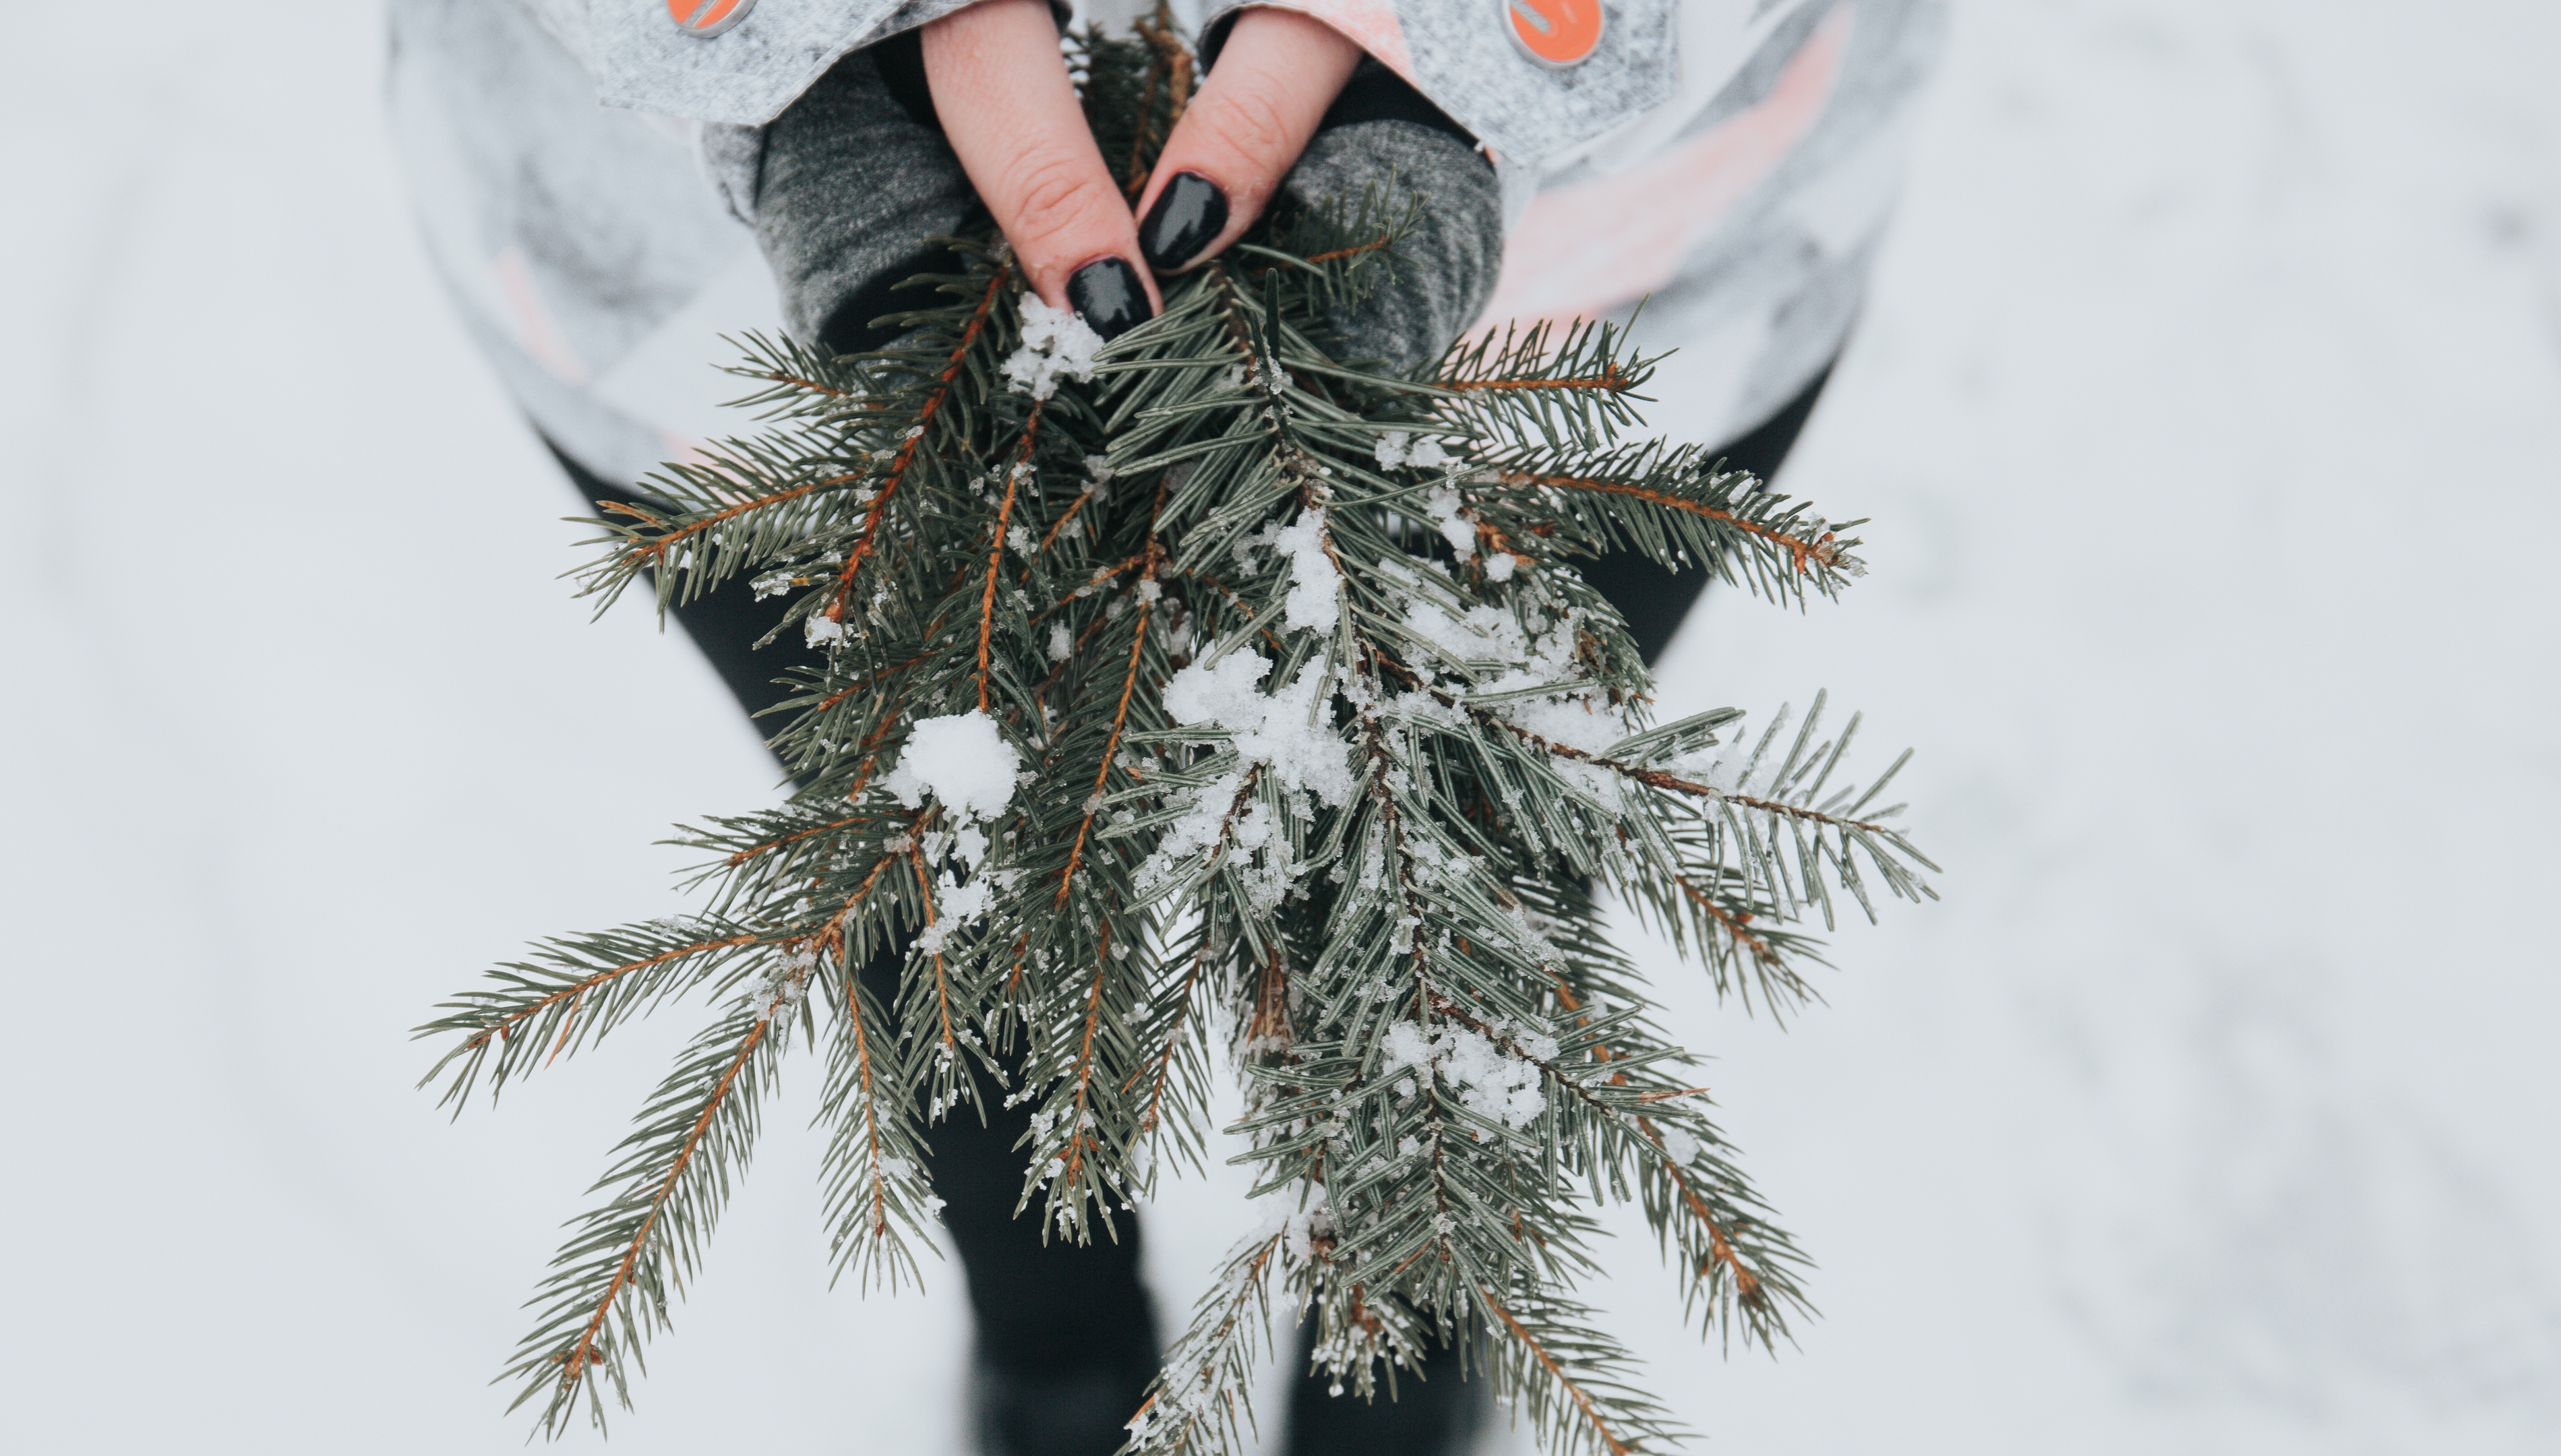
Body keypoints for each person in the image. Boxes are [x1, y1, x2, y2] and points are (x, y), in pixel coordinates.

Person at [387, 1, 1942, 1452]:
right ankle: (1055, 1356)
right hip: (687, 280)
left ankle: (1396, 1367)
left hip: (1615, 275)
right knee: (954, 847)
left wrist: (1482, 34)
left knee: (1454, 871)